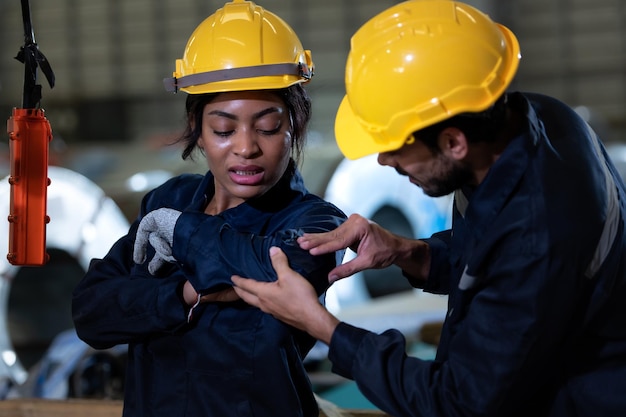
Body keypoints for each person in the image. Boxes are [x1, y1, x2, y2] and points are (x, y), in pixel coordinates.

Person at [231, 1, 626, 416]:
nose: (384, 161)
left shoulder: (540, 233)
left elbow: (459, 403)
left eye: (396, 146)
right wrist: (410, 252)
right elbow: (493, 257)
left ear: (454, 142)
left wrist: (322, 326)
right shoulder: (542, 120)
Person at [71, 1, 346, 416]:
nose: (246, 147)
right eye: (223, 128)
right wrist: (184, 292)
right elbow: (92, 313)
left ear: (295, 127)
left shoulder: (316, 222)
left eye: (268, 127)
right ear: (198, 132)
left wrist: (181, 233)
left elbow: (276, 272)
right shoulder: (169, 200)